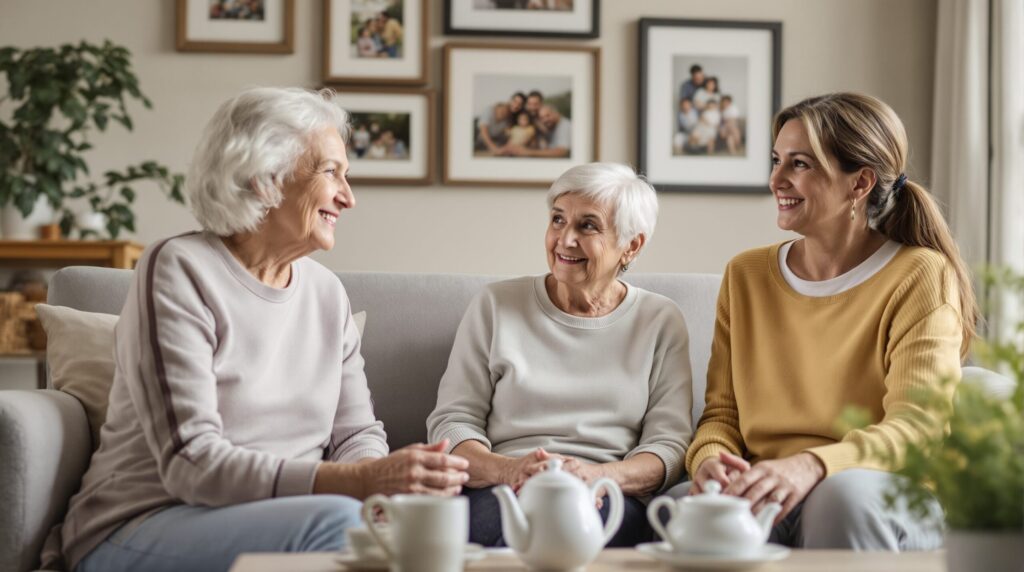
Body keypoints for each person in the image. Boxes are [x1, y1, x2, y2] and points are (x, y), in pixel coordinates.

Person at [59, 87, 470, 572]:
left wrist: (384, 483)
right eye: (330, 172)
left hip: (286, 518)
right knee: (340, 524)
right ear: (264, 178)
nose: (348, 197)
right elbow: (192, 464)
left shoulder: (325, 292)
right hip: (143, 522)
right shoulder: (179, 268)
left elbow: (356, 432)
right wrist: (358, 483)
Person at [681, 92, 977, 551]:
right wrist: (711, 459)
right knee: (699, 508)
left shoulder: (920, 275)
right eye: (776, 160)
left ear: (859, 184)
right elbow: (722, 416)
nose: (776, 178)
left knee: (839, 498)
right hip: (769, 481)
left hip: (879, 484)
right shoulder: (746, 275)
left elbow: (919, 429)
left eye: (800, 164)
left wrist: (811, 466)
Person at [427, 162, 693, 548]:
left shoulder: (660, 320)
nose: (564, 239)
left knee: (564, 528)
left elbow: (668, 447)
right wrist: (509, 470)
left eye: (587, 226)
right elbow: (453, 423)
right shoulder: (496, 305)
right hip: (504, 490)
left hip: (606, 496)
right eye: (557, 220)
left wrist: (599, 476)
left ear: (632, 245)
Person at [503, 105, 570, 158]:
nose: (545, 120)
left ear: (556, 113)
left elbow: (561, 152)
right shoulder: (551, 128)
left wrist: (527, 152)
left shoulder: (565, 125)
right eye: (542, 118)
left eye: (548, 115)